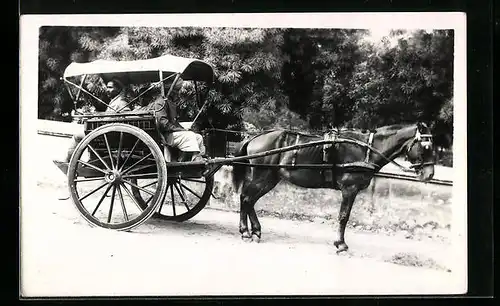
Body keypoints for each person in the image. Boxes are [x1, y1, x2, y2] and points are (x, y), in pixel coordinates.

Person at [54, 78, 131, 200]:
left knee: (77, 135)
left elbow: (120, 119)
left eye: (111, 87)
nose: (108, 89)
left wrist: (100, 121)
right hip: (109, 134)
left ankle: (69, 163)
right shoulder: (115, 101)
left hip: (111, 136)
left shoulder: (121, 103)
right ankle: (83, 162)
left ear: (118, 89)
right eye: (108, 86)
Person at [145, 76, 206, 162]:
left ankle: (193, 158)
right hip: (166, 136)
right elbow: (164, 124)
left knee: (198, 137)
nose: (177, 93)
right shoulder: (160, 103)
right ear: (170, 90)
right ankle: (192, 160)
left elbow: (174, 122)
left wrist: (183, 129)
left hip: (172, 133)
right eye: (176, 91)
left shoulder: (169, 102)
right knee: (190, 136)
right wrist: (180, 130)